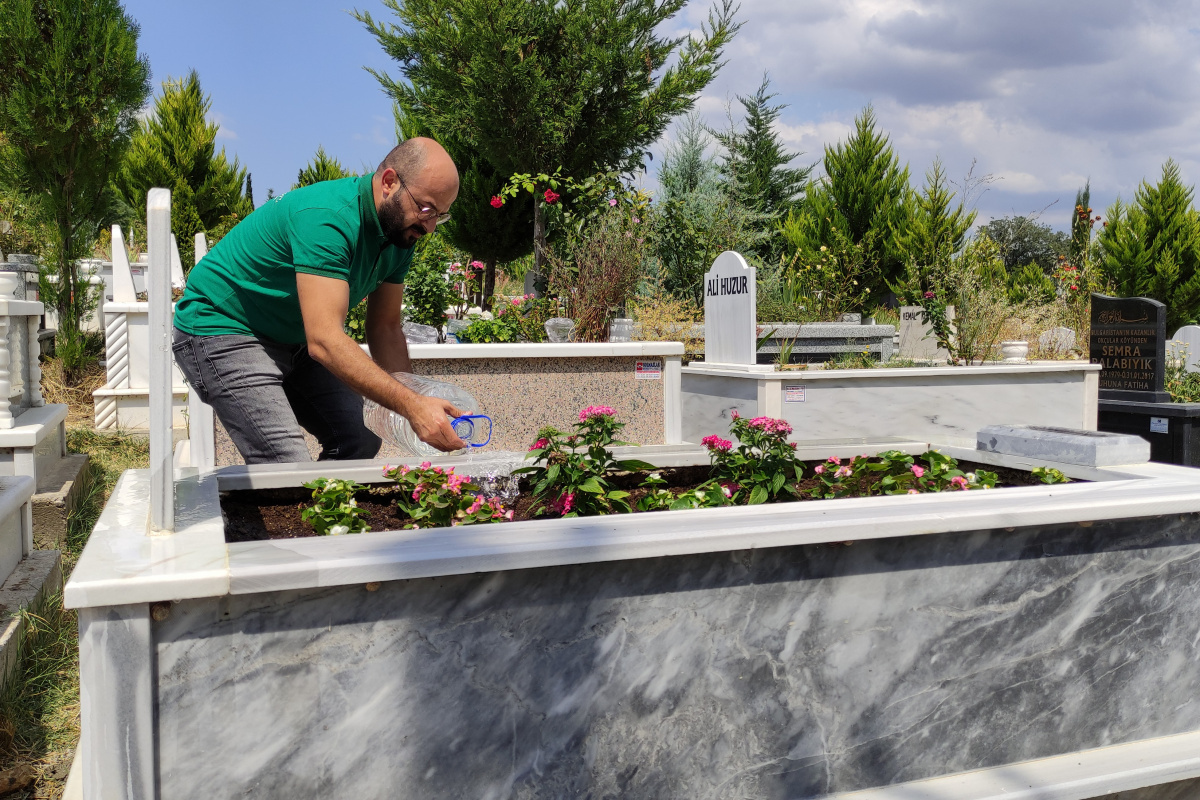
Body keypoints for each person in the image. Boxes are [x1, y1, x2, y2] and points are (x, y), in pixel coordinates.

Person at [171, 137, 467, 464]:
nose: (429, 228)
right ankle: (285, 506)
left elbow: (385, 327)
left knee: (359, 439)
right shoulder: (329, 218)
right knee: (285, 465)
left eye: (439, 216)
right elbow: (324, 341)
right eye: (425, 208)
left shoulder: (400, 234)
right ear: (389, 182)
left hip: (291, 338)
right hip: (222, 326)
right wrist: (411, 405)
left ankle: (320, 511)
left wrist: (417, 402)